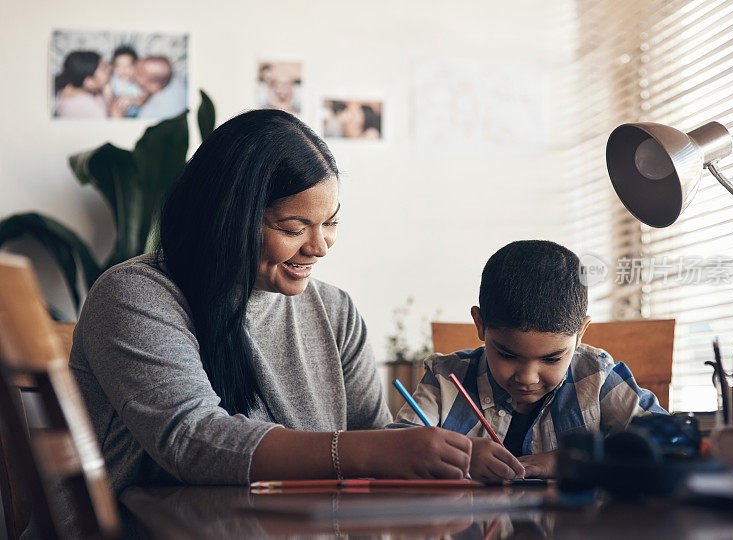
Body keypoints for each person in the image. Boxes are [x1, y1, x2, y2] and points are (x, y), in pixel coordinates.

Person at [70, 109, 471, 495]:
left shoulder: (336, 313)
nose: (319, 247)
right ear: (228, 219)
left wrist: (439, 456)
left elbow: (376, 444)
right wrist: (371, 451)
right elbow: (191, 440)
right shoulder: (135, 296)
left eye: (330, 223)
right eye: (294, 228)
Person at [391, 240, 666, 481]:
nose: (527, 377)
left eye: (552, 358)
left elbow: (665, 442)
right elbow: (393, 451)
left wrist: (571, 459)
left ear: (580, 334)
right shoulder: (444, 379)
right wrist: (463, 456)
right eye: (507, 355)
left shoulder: (596, 377)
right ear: (480, 325)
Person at [53, 50, 110, 118]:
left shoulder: (68, 89)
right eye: (104, 69)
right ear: (89, 82)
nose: (109, 69)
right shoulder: (92, 110)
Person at [135, 56, 187, 120]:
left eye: (139, 74)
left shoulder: (149, 114)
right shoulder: (175, 79)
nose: (133, 74)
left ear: (154, 87)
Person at [109, 45, 144, 118]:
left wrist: (132, 100)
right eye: (119, 66)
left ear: (136, 66)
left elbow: (143, 101)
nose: (124, 70)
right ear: (113, 67)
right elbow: (108, 102)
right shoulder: (111, 82)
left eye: (128, 66)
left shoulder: (139, 82)